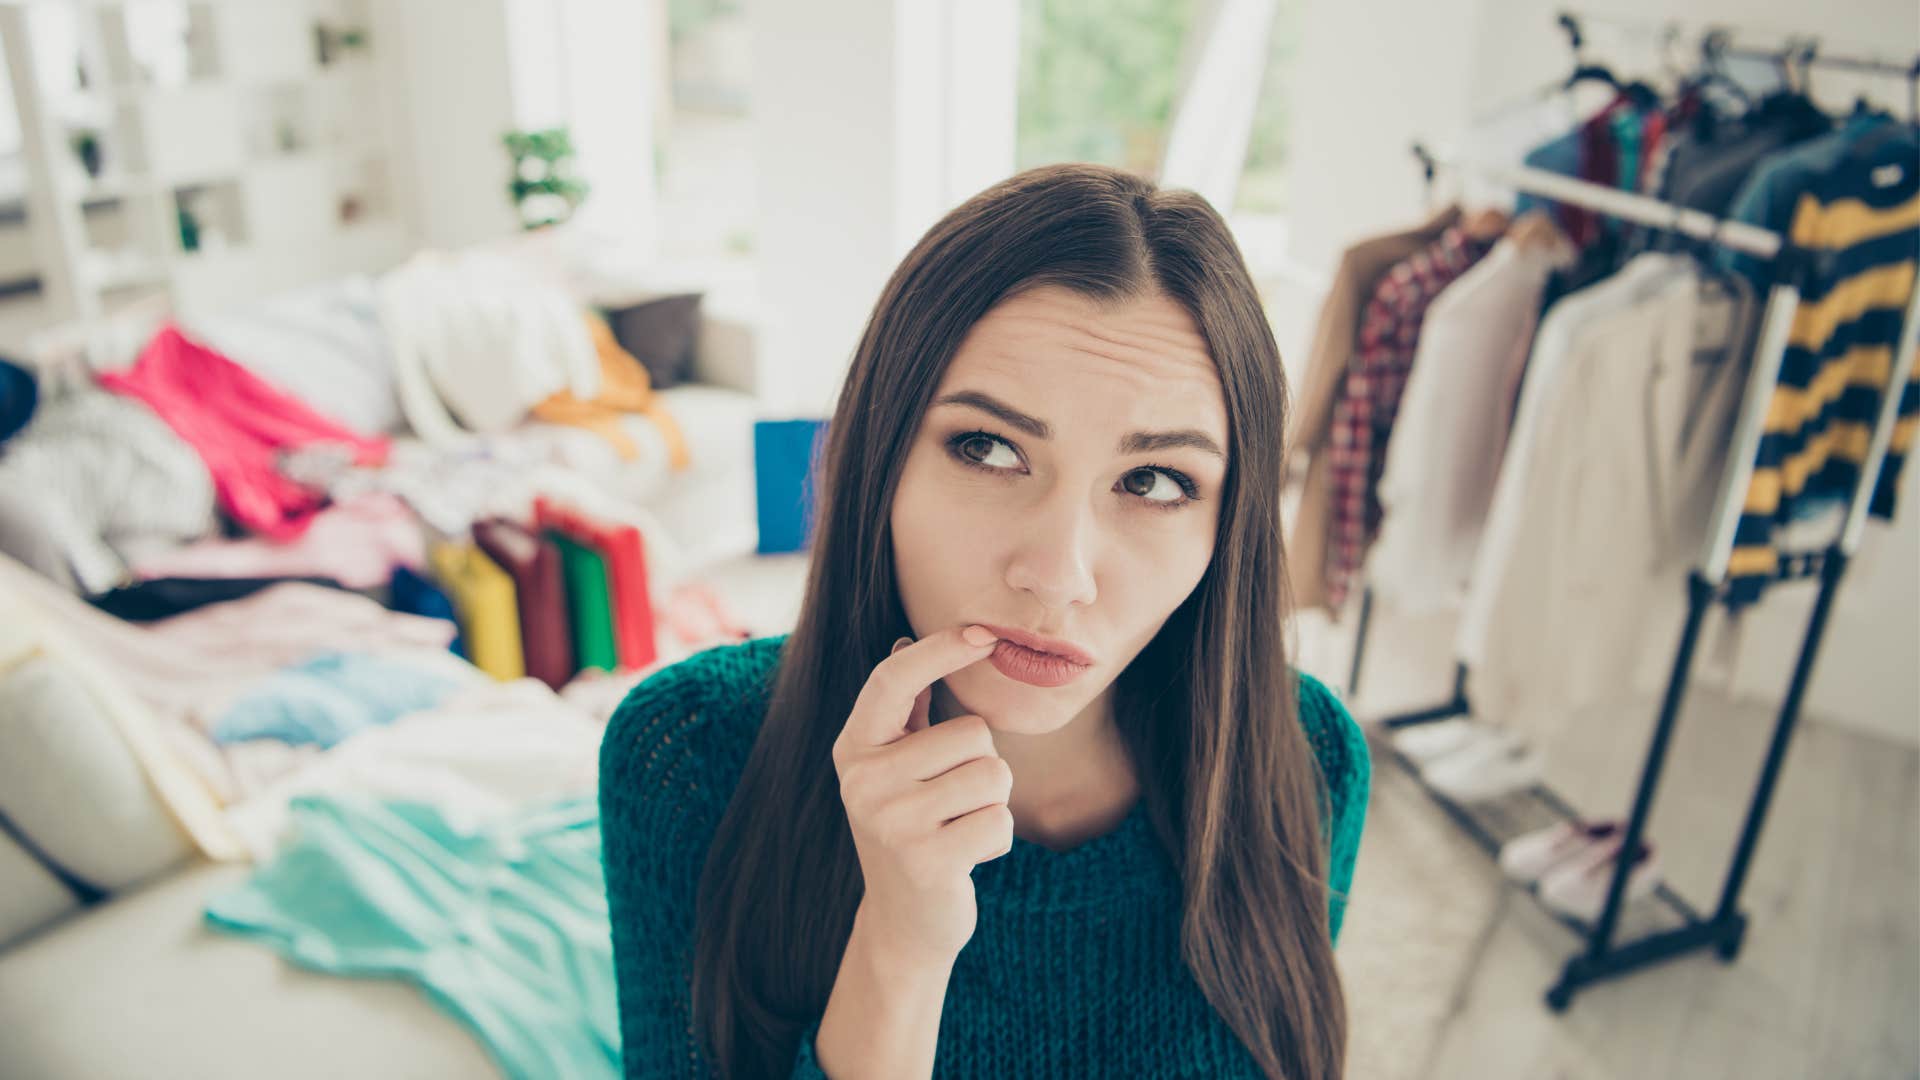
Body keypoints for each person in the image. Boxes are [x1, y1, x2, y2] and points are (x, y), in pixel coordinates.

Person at [600, 162, 1371, 1079]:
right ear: (879, 455)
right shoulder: (690, 755)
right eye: (989, 448)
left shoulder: (1306, 754)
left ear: (1227, 525)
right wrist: (898, 945)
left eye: (1155, 481)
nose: (1058, 576)